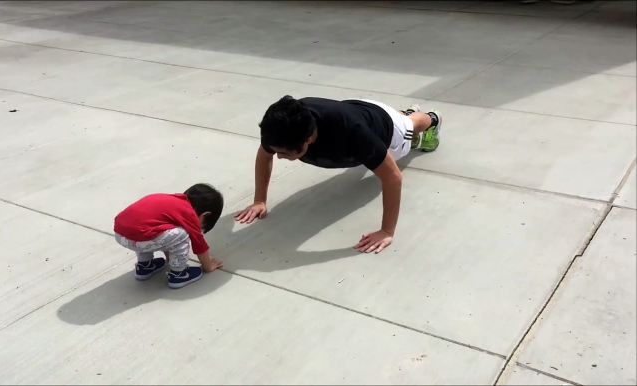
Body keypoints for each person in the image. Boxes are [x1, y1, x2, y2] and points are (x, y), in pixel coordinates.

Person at [235, 96, 443, 254]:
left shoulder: (352, 132)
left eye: (284, 153)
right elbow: (264, 155)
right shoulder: (285, 126)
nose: (277, 157)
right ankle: (404, 113)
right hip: (359, 109)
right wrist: (259, 200)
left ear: (308, 139)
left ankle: (432, 119)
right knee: (391, 121)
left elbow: (393, 177)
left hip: (390, 133)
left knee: (411, 125)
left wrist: (387, 231)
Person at [114, 183, 224, 289]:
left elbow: (160, 232)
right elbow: (199, 245)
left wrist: (170, 256)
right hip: (141, 239)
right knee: (182, 234)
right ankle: (179, 275)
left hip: (121, 233)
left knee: (146, 230)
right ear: (205, 215)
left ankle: (145, 266)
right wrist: (208, 266)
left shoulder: (171, 202)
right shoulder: (189, 214)